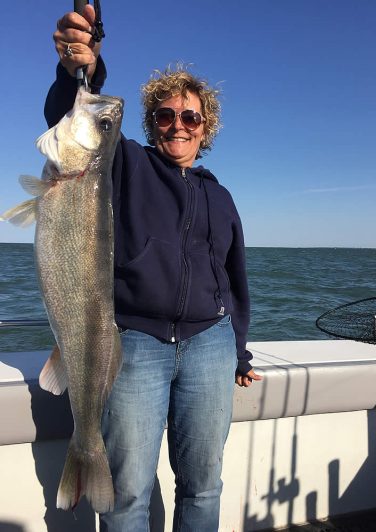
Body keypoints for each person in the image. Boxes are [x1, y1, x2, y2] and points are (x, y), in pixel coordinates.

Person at [46, 5, 262, 531]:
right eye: (166, 116)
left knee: (204, 485)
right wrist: (82, 68)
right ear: (152, 123)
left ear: (205, 126)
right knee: (127, 494)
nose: (178, 126)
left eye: (190, 117)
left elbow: (234, 283)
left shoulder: (222, 197)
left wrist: (238, 350)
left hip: (209, 346)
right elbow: (72, 123)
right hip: (135, 344)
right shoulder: (129, 164)